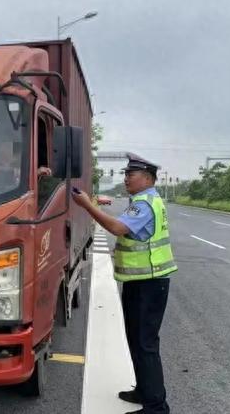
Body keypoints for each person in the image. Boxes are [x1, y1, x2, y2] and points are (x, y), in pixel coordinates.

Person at [72, 155, 177, 414]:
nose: (126, 177)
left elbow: (117, 228)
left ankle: (156, 406)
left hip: (149, 284)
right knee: (137, 339)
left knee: (145, 343)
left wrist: (87, 205)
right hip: (141, 282)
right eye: (126, 173)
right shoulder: (145, 200)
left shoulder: (144, 204)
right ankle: (144, 390)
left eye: (133, 173)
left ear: (148, 179)